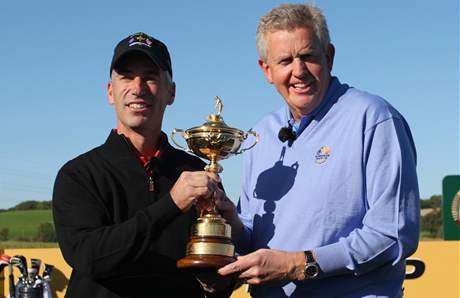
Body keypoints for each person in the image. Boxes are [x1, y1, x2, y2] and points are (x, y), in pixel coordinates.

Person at [217, 4, 420, 298]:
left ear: (329, 57)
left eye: (308, 56)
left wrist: (299, 265)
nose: (298, 71)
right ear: (267, 70)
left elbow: (392, 235)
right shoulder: (260, 135)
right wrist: (230, 221)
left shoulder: (373, 118)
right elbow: (253, 231)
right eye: (285, 60)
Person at [52, 32, 232, 298]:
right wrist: (170, 205)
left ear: (171, 92)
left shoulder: (197, 173)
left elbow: (215, 274)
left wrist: (221, 275)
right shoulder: (79, 174)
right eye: (126, 76)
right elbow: (89, 256)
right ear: (110, 92)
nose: (138, 87)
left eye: (150, 76)